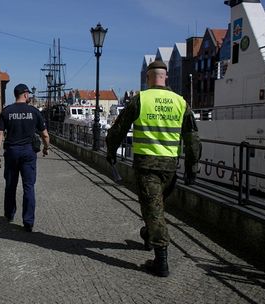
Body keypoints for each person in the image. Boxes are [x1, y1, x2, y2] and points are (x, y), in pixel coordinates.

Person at [106, 60, 200, 277]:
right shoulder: (180, 102)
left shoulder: (141, 99)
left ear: (148, 78)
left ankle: (161, 261)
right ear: (165, 77)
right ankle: (148, 234)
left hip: (147, 166)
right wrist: (192, 167)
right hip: (170, 168)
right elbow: (192, 138)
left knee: (153, 209)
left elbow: (119, 128)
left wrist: (111, 152)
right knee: (155, 206)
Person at [0, 83, 50, 232]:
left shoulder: (6, 111)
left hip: (11, 152)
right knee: (28, 187)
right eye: (28, 94)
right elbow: (45, 134)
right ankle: (28, 222)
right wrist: (46, 148)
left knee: (10, 185)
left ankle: (9, 214)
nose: (29, 96)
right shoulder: (34, 111)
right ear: (25, 95)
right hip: (28, 152)